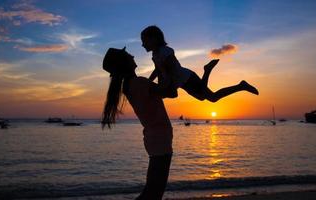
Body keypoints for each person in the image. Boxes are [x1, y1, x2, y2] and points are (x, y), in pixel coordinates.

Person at [101, 47, 172, 200]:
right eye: (128, 54)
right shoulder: (139, 83)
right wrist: (164, 68)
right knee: (153, 193)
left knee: (152, 191)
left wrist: (159, 69)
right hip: (160, 138)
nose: (132, 55)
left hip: (155, 138)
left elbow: (153, 89)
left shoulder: (131, 85)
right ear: (124, 62)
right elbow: (171, 92)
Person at [141, 25, 259, 101]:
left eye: (144, 41)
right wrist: (148, 82)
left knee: (211, 98)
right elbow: (157, 70)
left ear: (154, 39)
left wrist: (166, 86)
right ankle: (238, 84)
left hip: (187, 78)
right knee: (206, 97)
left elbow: (171, 70)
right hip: (181, 82)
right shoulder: (155, 54)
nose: (142, 44)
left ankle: (209, 71)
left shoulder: (165, 52)